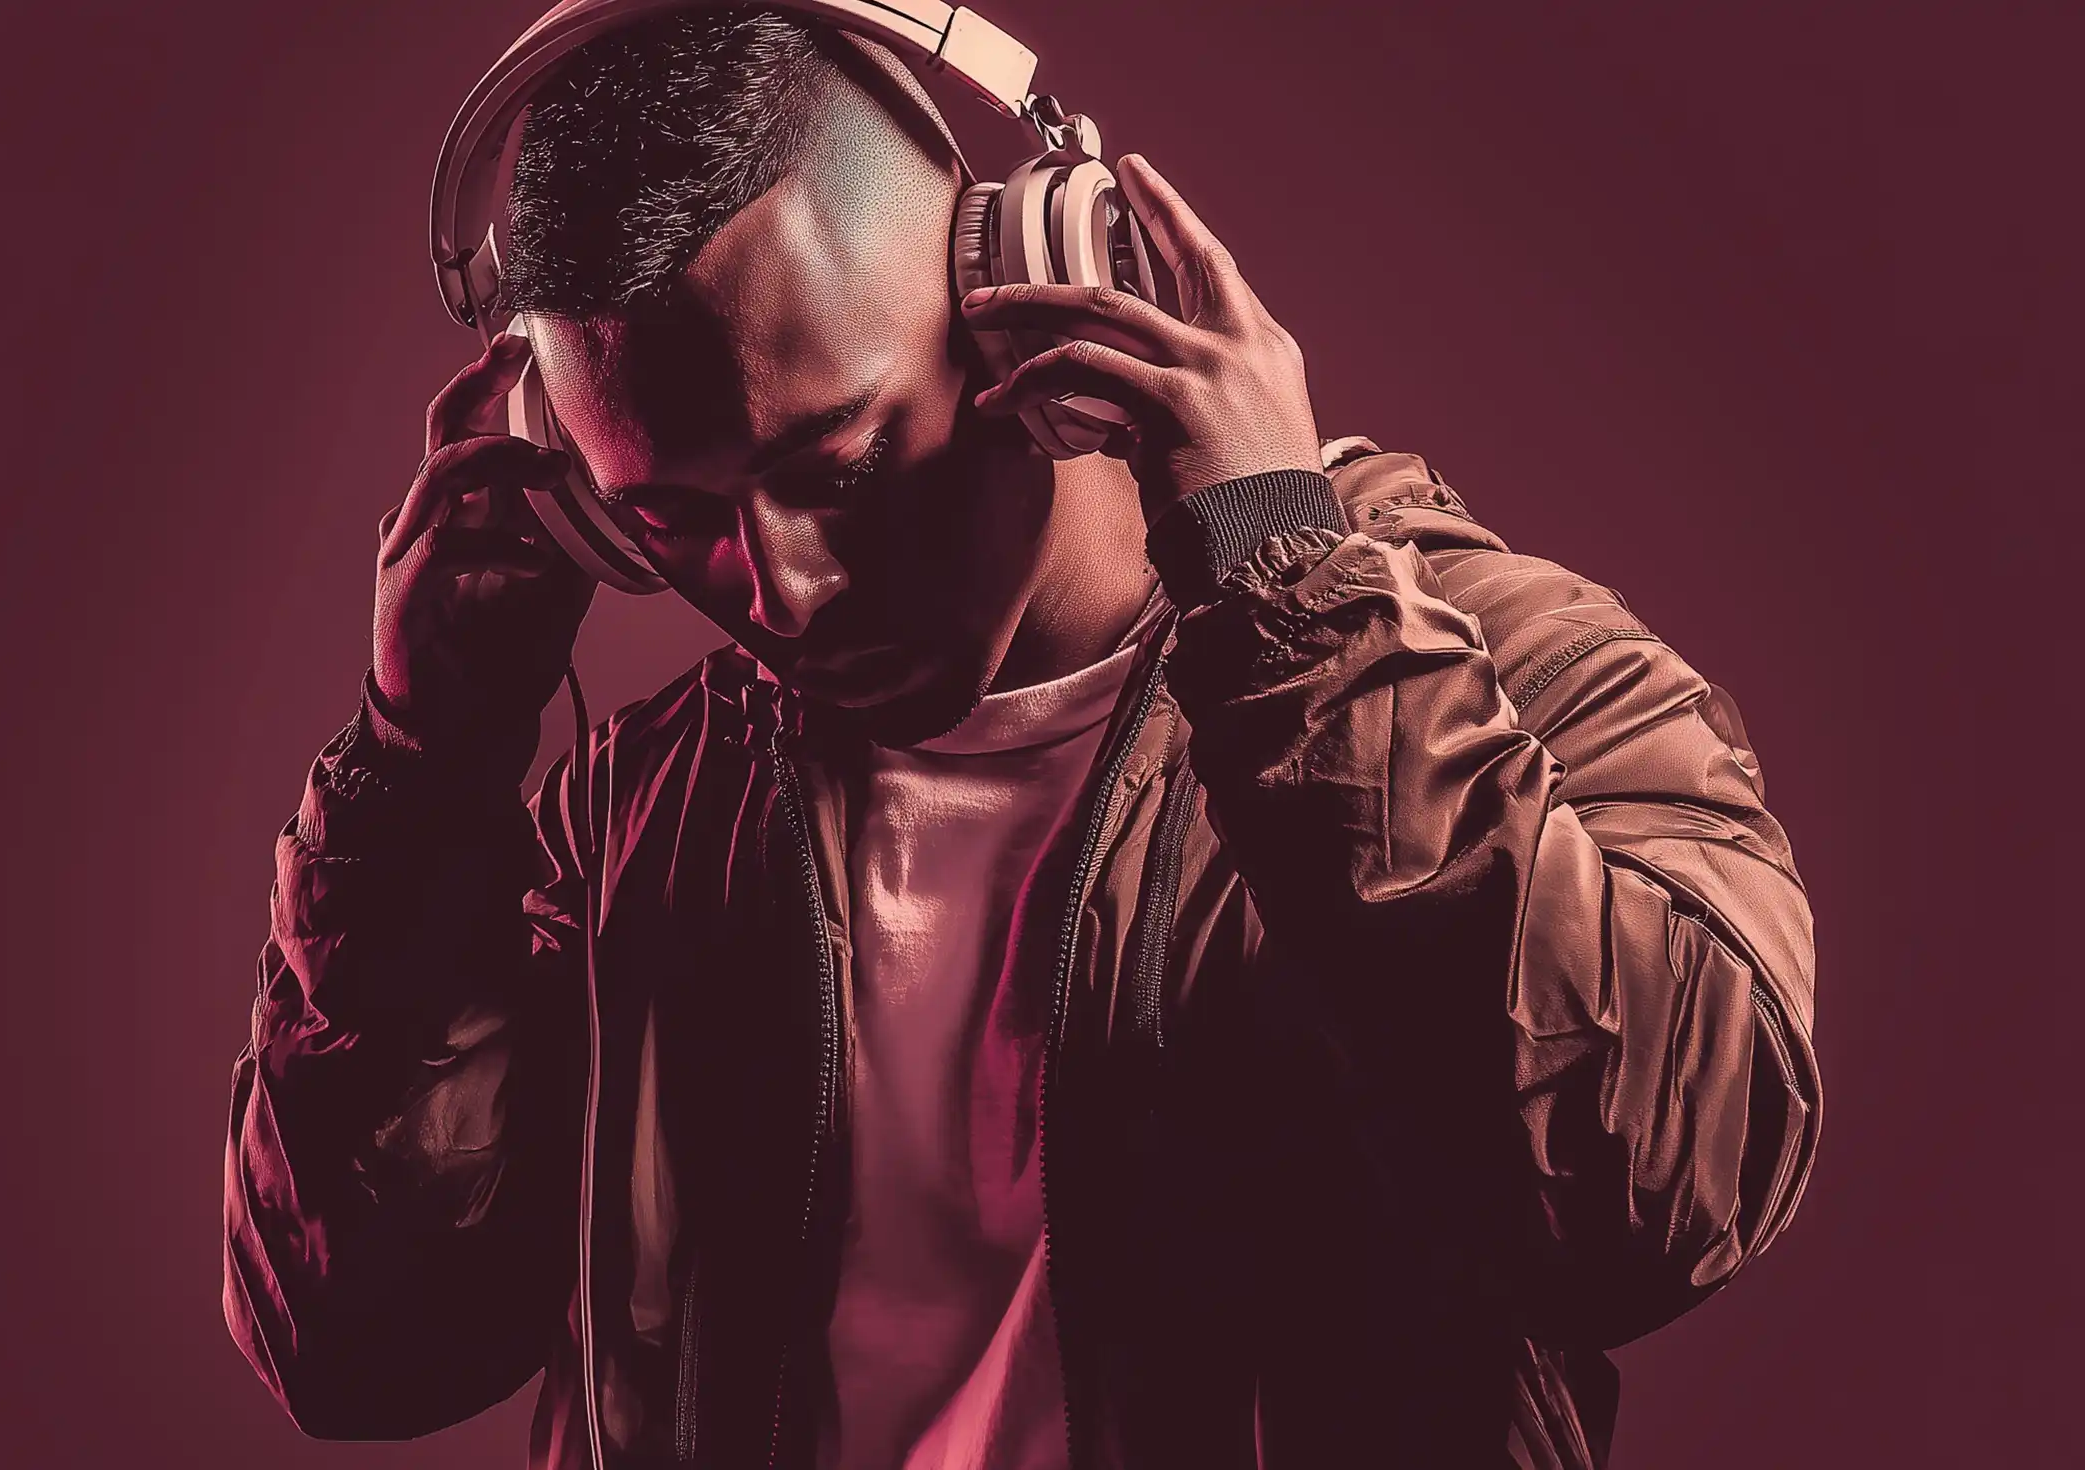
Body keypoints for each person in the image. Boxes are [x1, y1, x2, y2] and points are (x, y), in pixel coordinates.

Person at [222, 10, 1821, 1468]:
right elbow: (358, 1344)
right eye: (672, 521)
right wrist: (415, 774)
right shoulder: (639, 817)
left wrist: (1290, 598)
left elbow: (1664, 1194)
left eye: (840, 466)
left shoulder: (1506, 672)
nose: (781, 588)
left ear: (1025, 293)